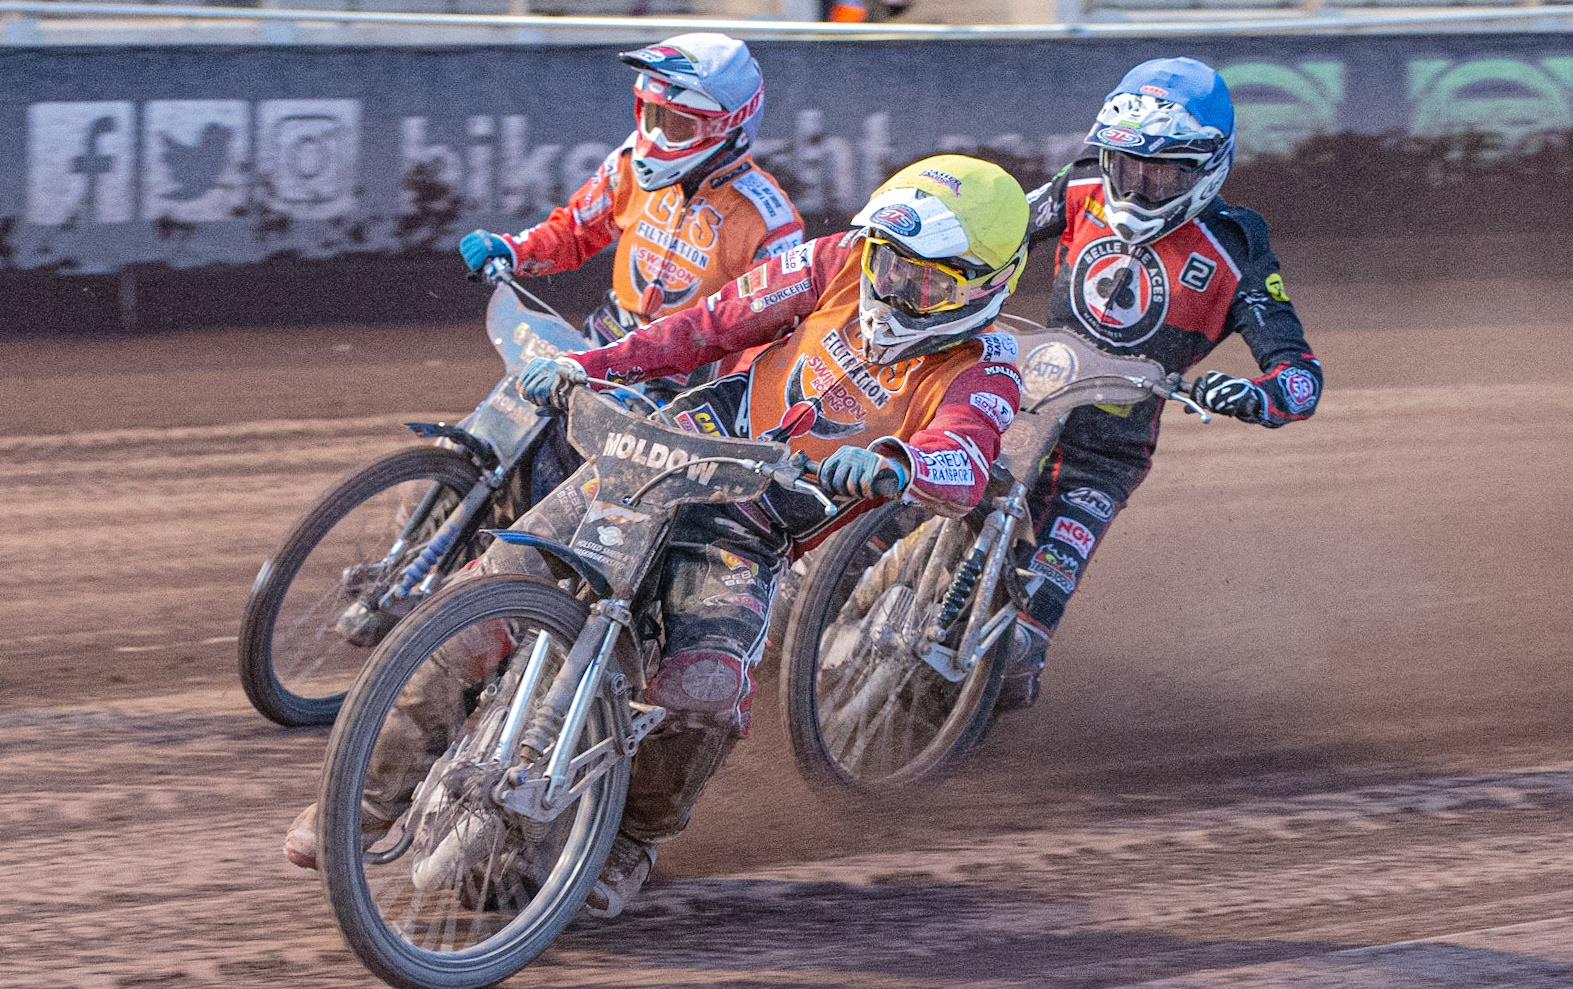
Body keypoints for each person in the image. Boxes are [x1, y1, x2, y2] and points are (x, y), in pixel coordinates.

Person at [285, 156, 1031, 919]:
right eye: (888, 263)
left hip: (752, 523)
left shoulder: (987, 367)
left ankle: (632, 838)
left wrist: (896, 462)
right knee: (473, 608)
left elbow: (964, 458)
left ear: (986, 284)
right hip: (664, 450)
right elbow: (711, 323)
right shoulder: (838, 259)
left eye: (926, 281)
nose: (894, 288)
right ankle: (361, 804)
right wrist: (595, 365)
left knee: (702, 689)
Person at [996, 57, 1325, 711]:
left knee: (1020, 646)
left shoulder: (1235, 245)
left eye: (1164, 168)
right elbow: (989, 243)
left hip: (1103, 455)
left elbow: (1301, 377)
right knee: (903, 515)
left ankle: (983, 702)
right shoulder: (1081, 186)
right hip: (1016, 407)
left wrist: (1256, 396)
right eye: (1126, 164)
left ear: (1207, 165)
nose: (1140, 184)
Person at [460, 31, 803, 374]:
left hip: (687, 362)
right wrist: (515, 249)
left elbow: (767, 328)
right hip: (611, 331)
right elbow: (576, 229)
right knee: (528, 403)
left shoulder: (770, 223)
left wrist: (731, 394)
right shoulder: (627, 164)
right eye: (652, 117)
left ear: (726, 126)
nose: (654, 138)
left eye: (677, 126)